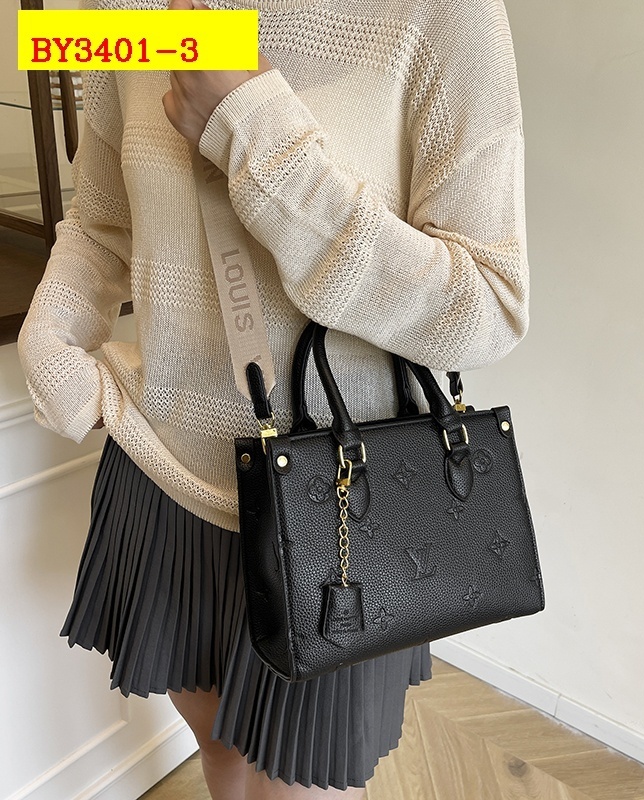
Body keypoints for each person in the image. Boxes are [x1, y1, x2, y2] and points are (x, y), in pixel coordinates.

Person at [16, 0, 529, 795]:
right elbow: (102, 219)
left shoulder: (441, 12)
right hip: (162, 473)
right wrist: (52, 336)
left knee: (293, 781)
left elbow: (486, 307)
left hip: (343, 506)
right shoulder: (122, 8)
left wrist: (254, 134)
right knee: (219, 750)